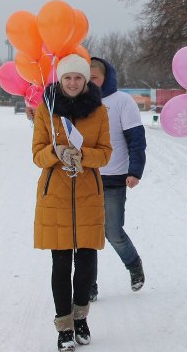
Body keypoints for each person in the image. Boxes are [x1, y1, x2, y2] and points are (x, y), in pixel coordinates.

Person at [32, 54, 112, 352]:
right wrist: (57, 152)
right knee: (61, 262)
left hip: (89, 194)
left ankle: (81, 319)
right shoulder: (47, 108)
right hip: (56, 195)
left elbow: (106, 153)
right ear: (60, 79)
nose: (73, 82)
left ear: (86, 80)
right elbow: (37, 154)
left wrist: (84, 155)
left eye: (78, 77)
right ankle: (64, 326)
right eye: (68, 77)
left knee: (87, 263)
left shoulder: (99, 110)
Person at [88, 57, 147, 301]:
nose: (90, 82)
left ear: (105, 78)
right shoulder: (78, 101)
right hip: (85, 177)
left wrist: (135, 171)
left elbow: (136, 138)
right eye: (86, 77)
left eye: (94, 78)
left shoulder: (121, 101)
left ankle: (134, 265)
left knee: (112, 231)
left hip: (114, 177)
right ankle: (88, 285)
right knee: (86, 235)